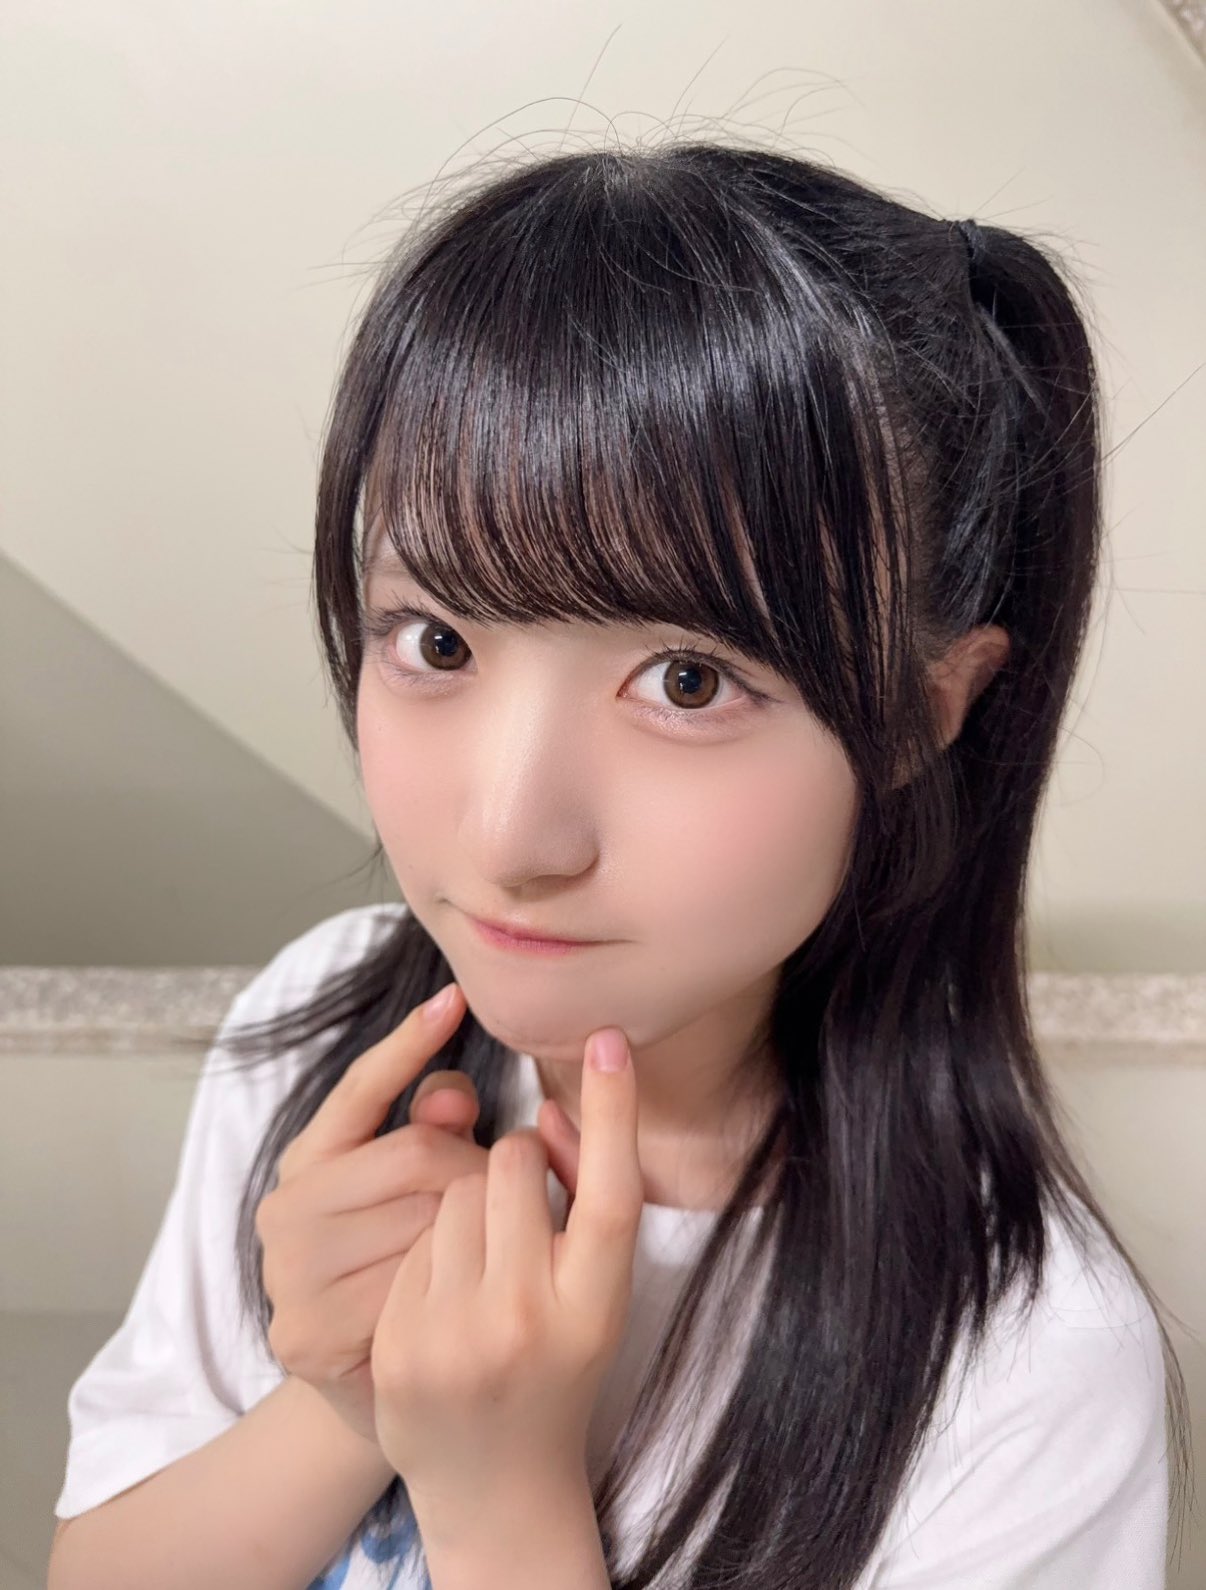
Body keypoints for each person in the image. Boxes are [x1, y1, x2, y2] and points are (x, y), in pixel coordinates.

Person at [49, 137, 1189, 1590]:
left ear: (923, 709)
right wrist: (342, 1401)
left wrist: (501, 1503)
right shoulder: (324, 1039)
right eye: (438, 641)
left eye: (687, 681)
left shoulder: (1025, 1373)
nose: (509, 838)